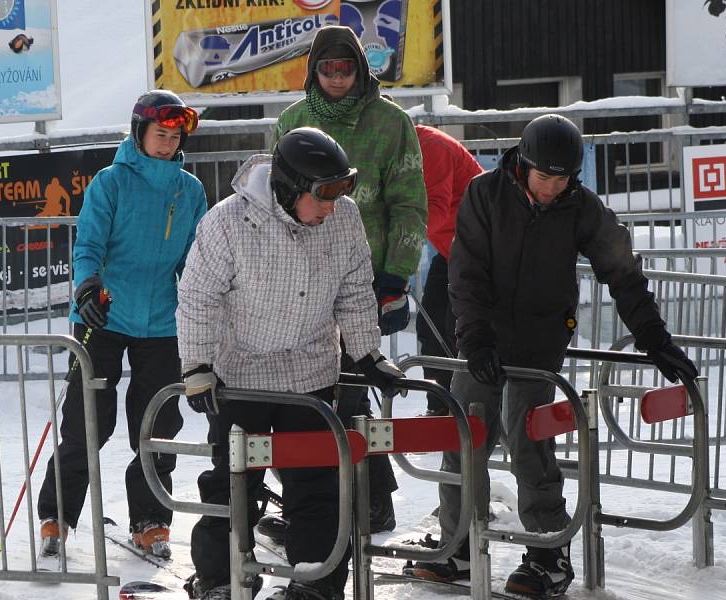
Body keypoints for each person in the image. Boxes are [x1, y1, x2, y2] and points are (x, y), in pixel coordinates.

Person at [409, 114, 698, 598]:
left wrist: (653, 337)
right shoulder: (486, 194)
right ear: (523, 165)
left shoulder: (580, 207)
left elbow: (621, 270)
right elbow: (466, 272)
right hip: (485, 335)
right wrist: (476, 339)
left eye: (562, 180)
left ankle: (548, 551)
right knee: (463, 432)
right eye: (544, 178)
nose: (550, 189)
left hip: (541, 336)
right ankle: (457, 545)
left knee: (528, 435)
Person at [177, 127, 407, 600]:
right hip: (243, 375)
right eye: (323, 194)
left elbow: (354, 290)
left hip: (310, 375)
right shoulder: (229, 222)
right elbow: (199, 296)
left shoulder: (342, 218)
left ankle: (316, 584)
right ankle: (221, 578)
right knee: (233, 486)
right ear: (288, 185)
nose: (332, 205)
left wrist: (367, 354)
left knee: (318, 486)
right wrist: (196, 367)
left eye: (341, 190)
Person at [266, 24, 427, 537]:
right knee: (307, 398)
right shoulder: (292, 121)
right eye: (327, 69)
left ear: (360, 69)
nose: (336, 78)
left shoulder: (391, 122)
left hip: (367, 279)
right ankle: (314, 505)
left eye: (346, 68)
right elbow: (273, 202)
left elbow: (408, 202)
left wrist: (396, 273)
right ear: (313, 71)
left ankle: (372, 502)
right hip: (301, 282)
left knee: (354, 393)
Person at [37, 90, 207, 560]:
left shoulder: (189, 190)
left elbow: (196, 263)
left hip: (161, 323)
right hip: (104, 315)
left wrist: (204, 308)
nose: (168, 144)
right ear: (139, 132)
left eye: (175, 138)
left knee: (157, 424)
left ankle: (151, 518)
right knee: (88, 423)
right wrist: (88, 287)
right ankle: (58, 514)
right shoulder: (110, 183)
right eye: (160, 135)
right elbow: (88, 244)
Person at [413, 124, 483, 416]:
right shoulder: (395, 155)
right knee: (428, 325)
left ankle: (466, 410)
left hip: (480, 248)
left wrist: (397, 244)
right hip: (450, 248)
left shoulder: (431, 147)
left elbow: (436, 208)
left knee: (454, 328)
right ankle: (439, 408)